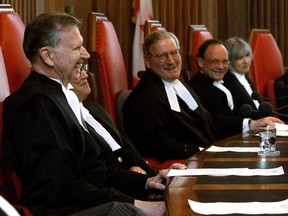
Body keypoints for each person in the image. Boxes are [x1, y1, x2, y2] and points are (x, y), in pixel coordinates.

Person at [1, 12, 186, 216]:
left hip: (97, 200)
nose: (86, 54)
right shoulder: (36, 105)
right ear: (48, 56)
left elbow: (97, 169)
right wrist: (137, 205)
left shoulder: (60, 96)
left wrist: (148, 182)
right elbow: (59, 188)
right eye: (76, 48)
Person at [122, 30, 283, 161]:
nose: (171, 60)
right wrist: (204, 151)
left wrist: (252, 124)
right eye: (162, 56)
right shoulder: (144, 98)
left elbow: (209, 120)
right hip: (183, 164)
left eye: (174, 53)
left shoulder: (180, 86)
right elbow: (159, 145)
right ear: (148, 61)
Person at [71, 65, 156, 176]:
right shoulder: (67, 120)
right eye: (76, 71)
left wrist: (156, 174)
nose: (85, 75)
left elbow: (124, 149)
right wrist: (136, 178)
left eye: (83, 68)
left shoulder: (93, 107)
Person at [187, 39, 236, 116]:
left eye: (225, 61)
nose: (221, 66)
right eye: (214, 61)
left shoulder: (230, 80)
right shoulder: (195, 90)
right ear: (201, 62)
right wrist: (249, 123)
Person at [223, 36, 261, 119]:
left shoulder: (246, 79)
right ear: (229, 60)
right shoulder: (228, 82)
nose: (246, 61)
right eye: (240, 58)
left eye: (247, 55)